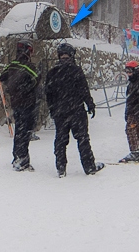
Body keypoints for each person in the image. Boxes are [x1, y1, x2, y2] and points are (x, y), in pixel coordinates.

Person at [44, 43, 104, 177]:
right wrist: (90, 104)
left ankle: (61, 168)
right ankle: (89, 167)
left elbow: (48, 94)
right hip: (76, 111)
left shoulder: (52, 73)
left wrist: (53, 109)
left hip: (60, 112)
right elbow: (84, 90)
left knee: (60, 140)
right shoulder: (76, 71)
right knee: (83, 139)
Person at [0, 39, 40, 172]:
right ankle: (23, 160)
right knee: (25, 132)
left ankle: (16, 156)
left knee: (19, 130)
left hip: (16, 103)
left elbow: (2, 77)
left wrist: (12, 87)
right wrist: (25, 88)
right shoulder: (29, 67)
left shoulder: (12, 65)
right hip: (28, 104)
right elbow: (37, 79)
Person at [119, 61, 139, 163]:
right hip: (131, 110)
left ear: (136, 71)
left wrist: (137, 113)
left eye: (130, 71)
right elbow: (129, 99)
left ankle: (135, 151)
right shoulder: (132, 83)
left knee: (130, 130)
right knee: (136, 129)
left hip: (135, 111)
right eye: (127, 71)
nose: (128, 74)